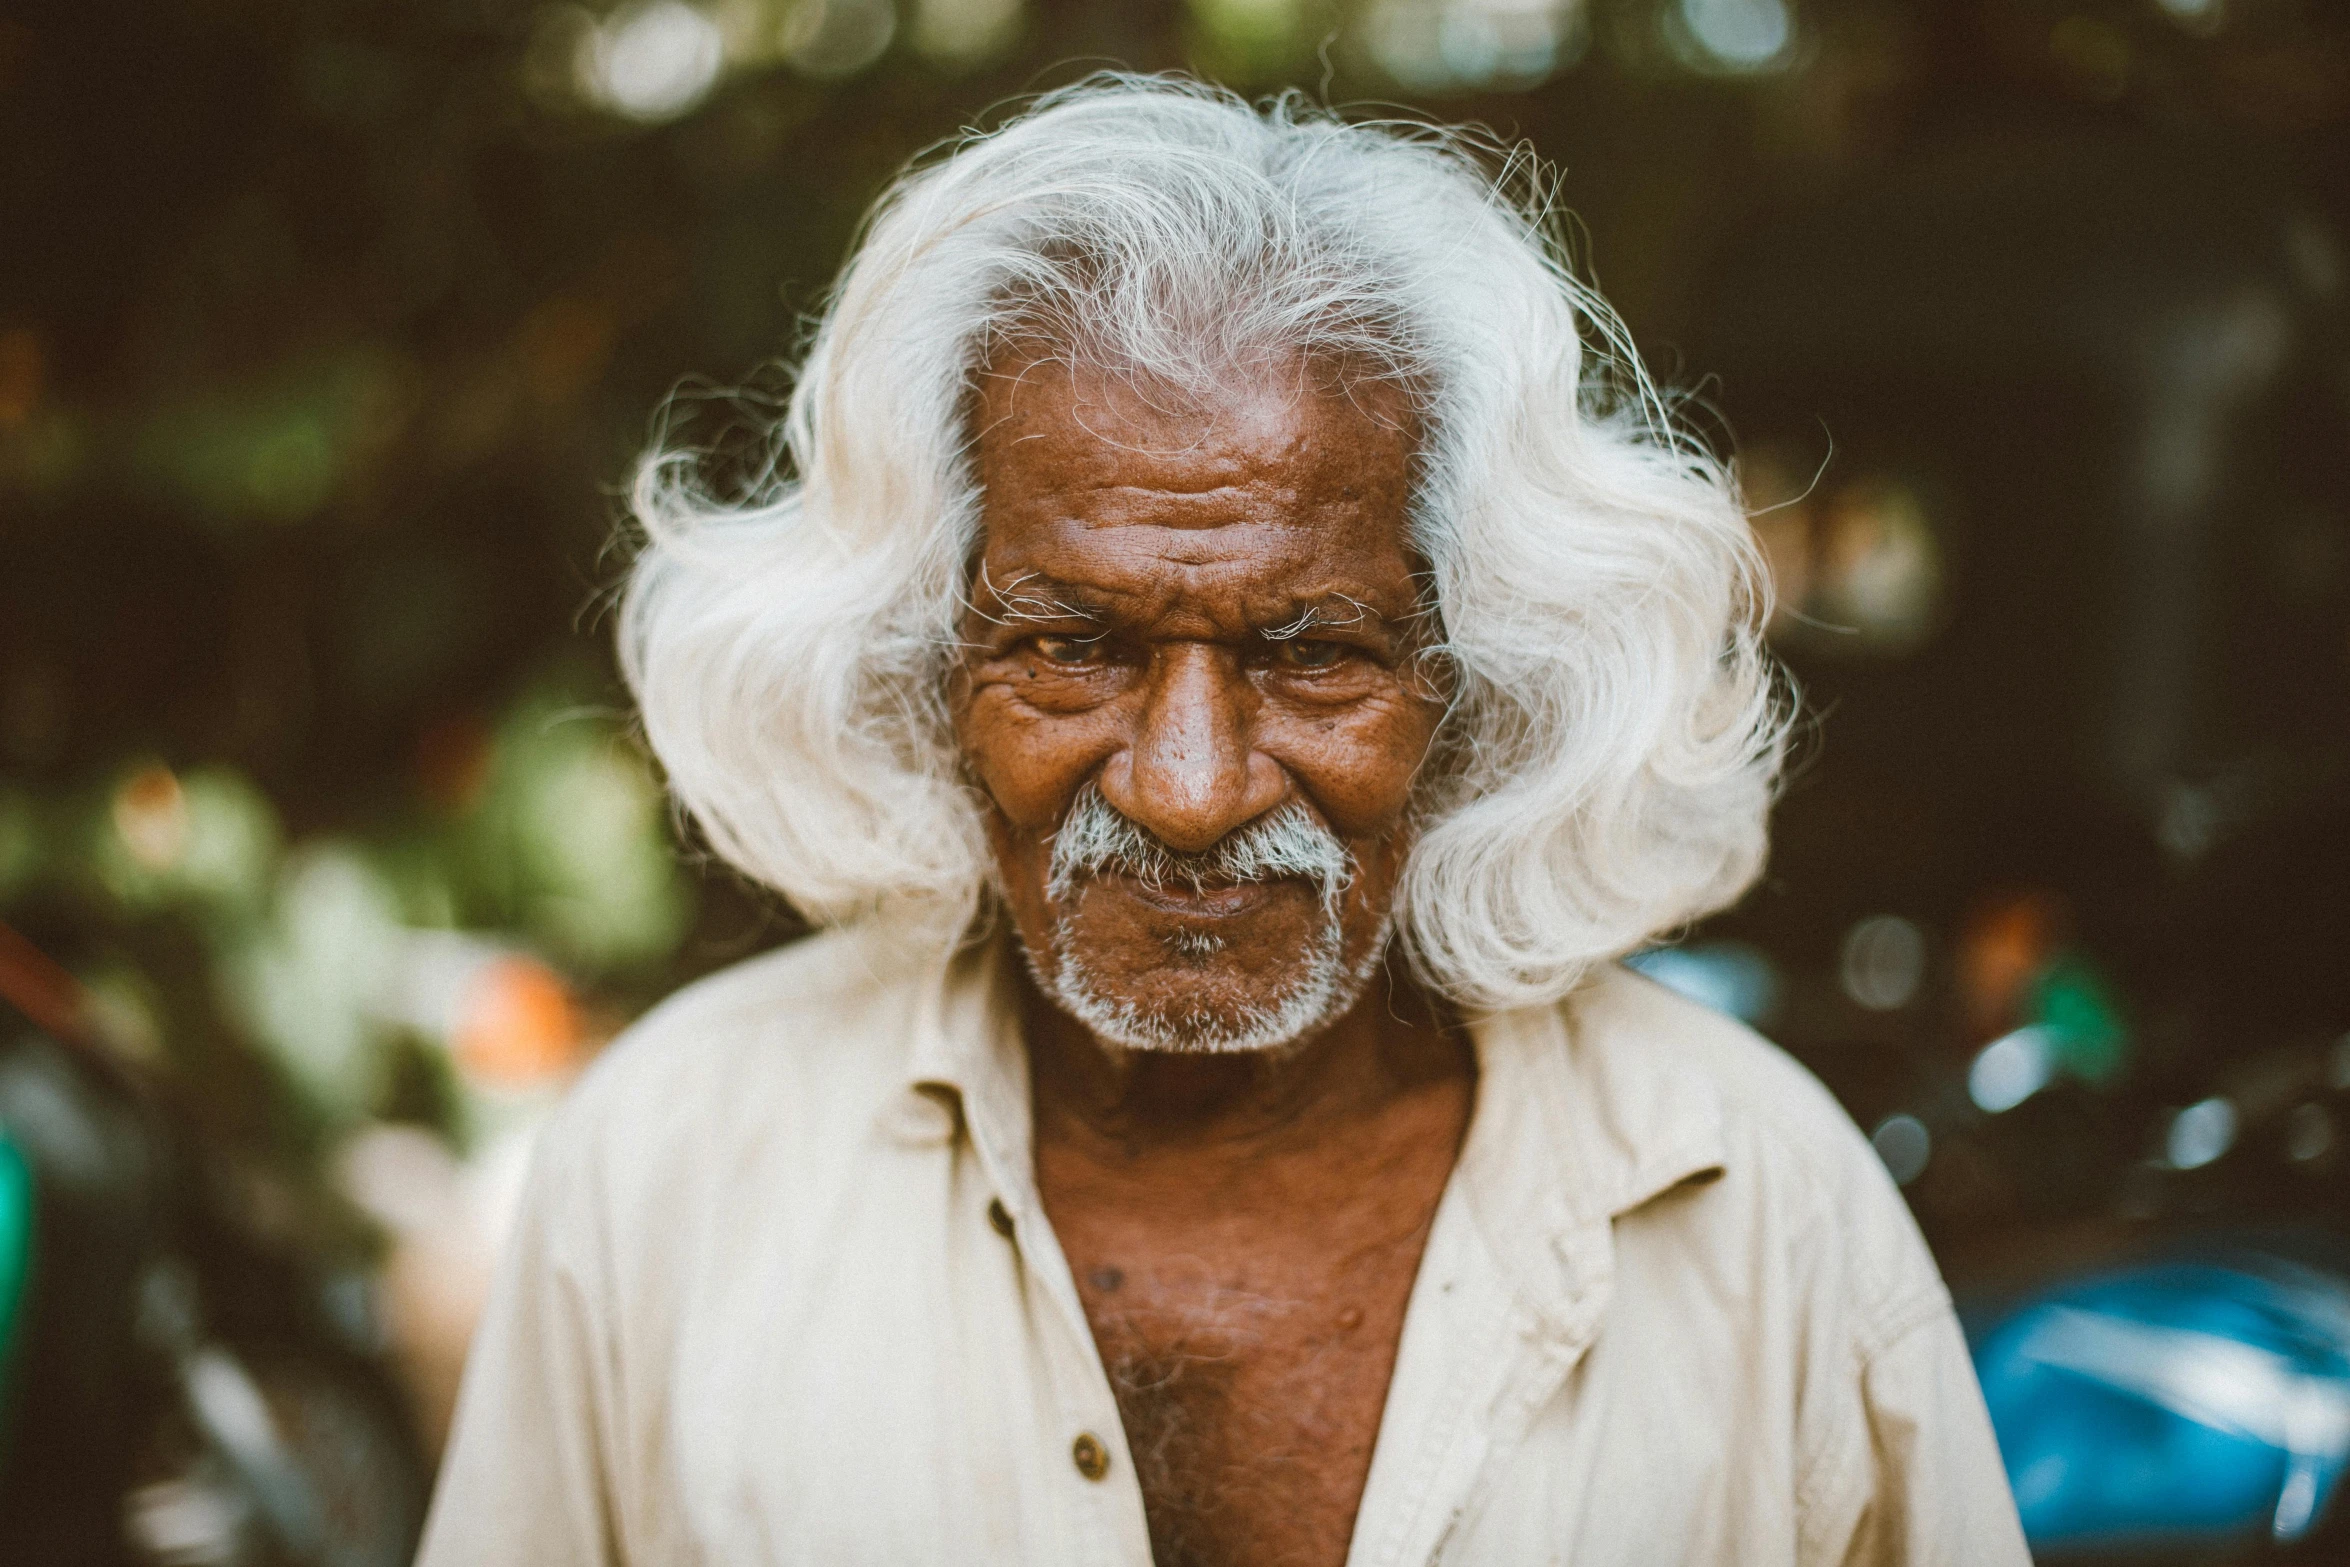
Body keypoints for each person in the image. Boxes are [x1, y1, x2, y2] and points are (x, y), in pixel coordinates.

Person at [417, 76, 2029, 1567]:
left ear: (1474, 680)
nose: (1188, 789)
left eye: (1314, 653)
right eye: (1069, 646)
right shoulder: (668, 1167)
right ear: (924, 664)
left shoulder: (1759, 1204)